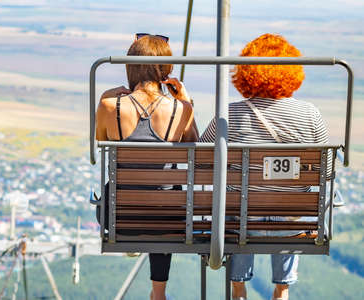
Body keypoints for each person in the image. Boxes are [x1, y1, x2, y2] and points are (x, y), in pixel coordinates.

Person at [199, 33, 329, 300]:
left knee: (234, 209)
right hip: (290, 224)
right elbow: (325, 171)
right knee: (292, 209)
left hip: (243, 220)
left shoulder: (229, 114)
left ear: (246, 72)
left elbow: (200, 161)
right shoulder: (310, 114)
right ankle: (282, 290)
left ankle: (238, 287)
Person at [96, 34, 198, 300]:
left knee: (142, 201)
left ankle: (134, 244)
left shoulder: (109, 106)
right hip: (168, 219)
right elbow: (195, 147)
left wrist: (106, 97)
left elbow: (101, 139)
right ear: (166, 70)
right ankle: (158, 292)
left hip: (121, 217)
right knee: (164, 200)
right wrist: (187, 103)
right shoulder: (180, 109)